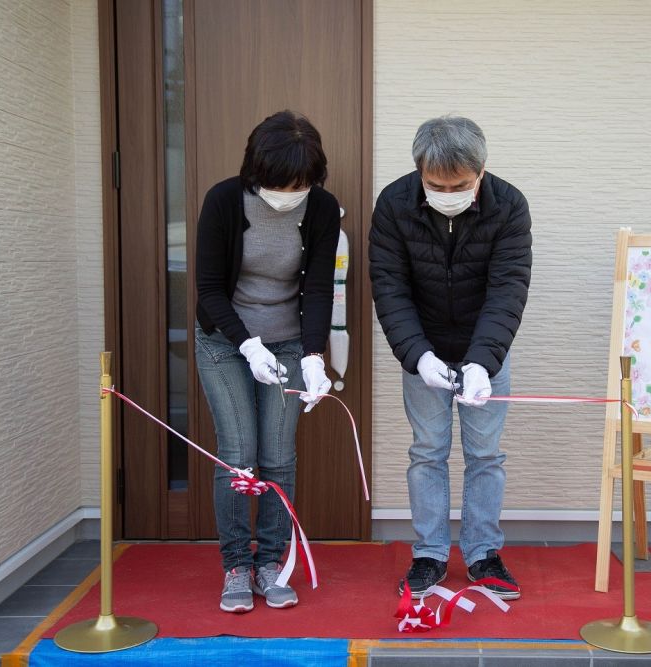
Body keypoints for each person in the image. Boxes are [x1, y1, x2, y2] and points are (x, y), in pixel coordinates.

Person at [369, 115, 532, 600]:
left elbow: (508, 289)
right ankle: (430, 554)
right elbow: (389, 287)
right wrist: (418, 356)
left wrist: (483, 361)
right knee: (427, 451)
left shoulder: (510, 206)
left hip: (486, 348)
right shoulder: (394, 204)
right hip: (422, 348)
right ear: (419, 172)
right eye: (435, 184)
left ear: (480, 172)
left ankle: (483, 553)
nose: (447, 191)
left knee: (485, 453)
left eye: (459, 185)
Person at [195, 110, 340, 613]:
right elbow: (209, 289)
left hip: (289, 341)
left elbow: (319, 289)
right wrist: (247, 345)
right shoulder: (223, 201)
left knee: (278, 454)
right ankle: (236, 563)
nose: (290, 192)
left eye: (302, 183)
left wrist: (315, 357)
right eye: (281, 183)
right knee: (238, 452)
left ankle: (271, 562)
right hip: (225, 340)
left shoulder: (322, 208)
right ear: (256, 171)